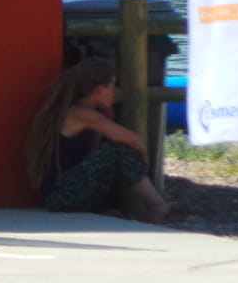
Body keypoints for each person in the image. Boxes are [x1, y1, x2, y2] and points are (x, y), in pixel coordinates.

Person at [24, 57, 176, 222]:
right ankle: (158, 206)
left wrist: (108, 116)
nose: (115, 92)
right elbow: (132, 139)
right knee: (118, 149)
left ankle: (147, 206)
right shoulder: (81, 115)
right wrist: (145, 159)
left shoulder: (86, 115)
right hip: (61, 195)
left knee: (114, 150)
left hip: (66, 192)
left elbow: (90, 154)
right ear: (99, 90)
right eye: (112, 87)